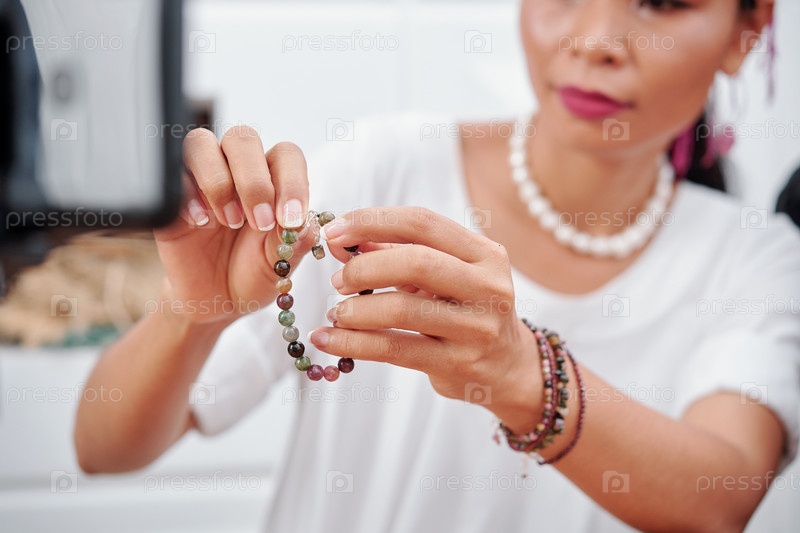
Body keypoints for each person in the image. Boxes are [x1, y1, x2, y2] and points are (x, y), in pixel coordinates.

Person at [75, 0, 799, 531]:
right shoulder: (383, 166)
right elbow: (102, 448)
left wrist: (522, 373)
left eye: (663, 2)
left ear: (749, 30)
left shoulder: (758, 260)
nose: (596, 40)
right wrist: (192, 312)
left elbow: (718, 500)